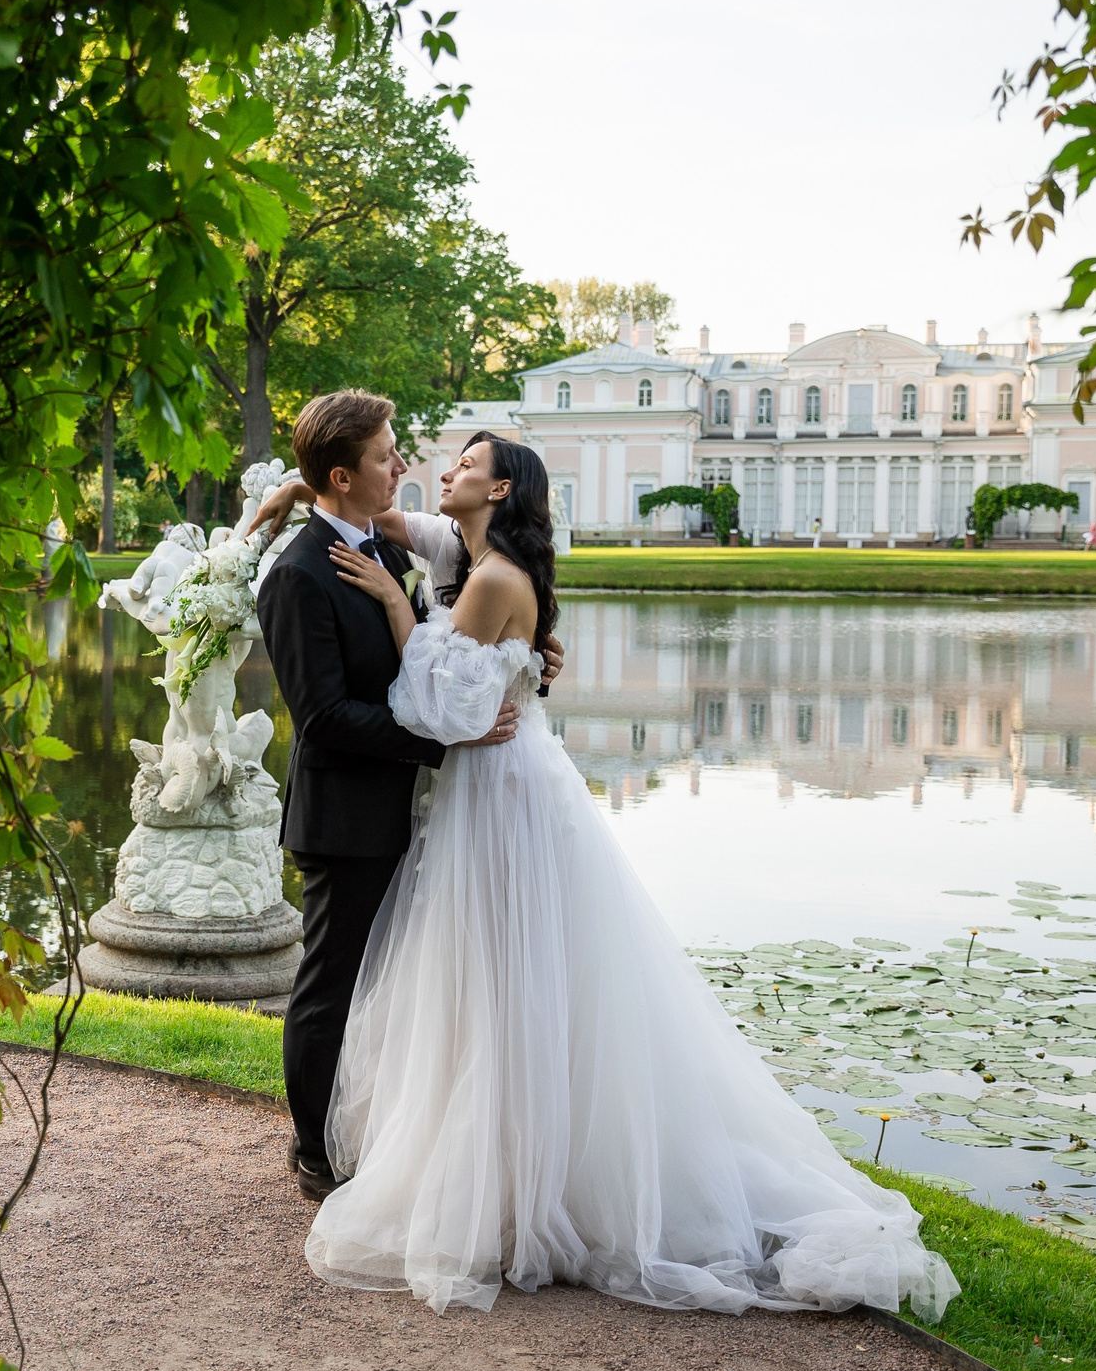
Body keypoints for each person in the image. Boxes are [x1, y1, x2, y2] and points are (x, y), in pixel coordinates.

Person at [259, 428, 958, 1321]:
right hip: (489, 790)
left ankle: (527, 1182)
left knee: (512, 987)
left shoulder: (494, 577)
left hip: (504, 798)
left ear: (502, 489)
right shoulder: (459, 548)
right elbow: (372, 506)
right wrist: (292, 495)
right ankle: (483, 1162)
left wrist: (406, 617)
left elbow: (440, 702)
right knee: (491, 986)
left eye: (466, 465)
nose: (441, 470)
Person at [251, 392, 564, 1205]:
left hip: (419, 811)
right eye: (390, 454)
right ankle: (316, 1149)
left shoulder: (392, 550)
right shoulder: (297, 573)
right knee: (332, 984)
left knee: (393, 985)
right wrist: (445, 738)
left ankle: (375, 1136)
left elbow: (443, 649)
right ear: (346, 475)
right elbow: (321, 717)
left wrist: (522, 658)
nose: (406, 465)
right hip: (348, 814)